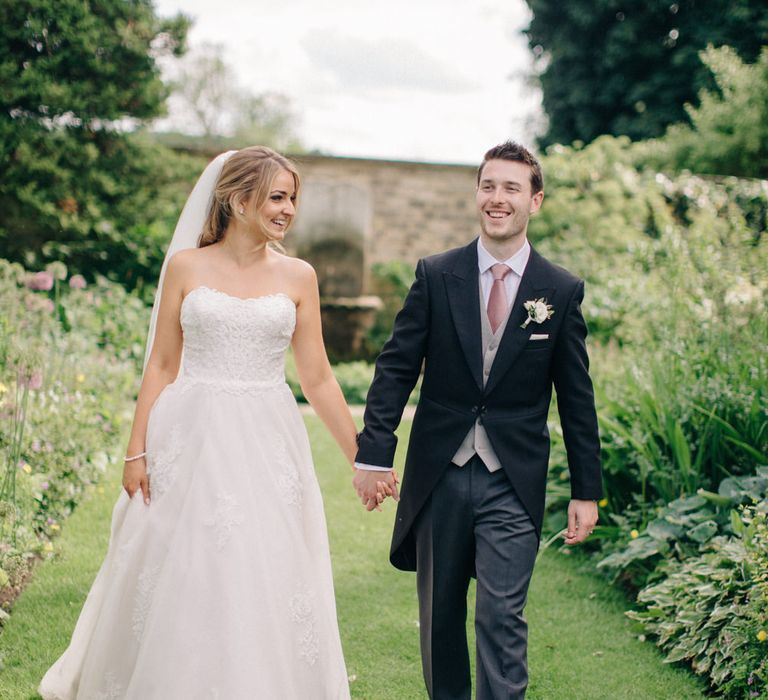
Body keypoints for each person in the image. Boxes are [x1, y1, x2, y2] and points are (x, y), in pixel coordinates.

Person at [39, 147, 360, 699]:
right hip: (189, 432)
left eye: (292, 199)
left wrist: (363, 456)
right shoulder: (185, 267)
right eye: (277, 197)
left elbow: (319, 378)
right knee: (183, 560)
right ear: (238, 200)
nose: (288, 210)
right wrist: (136, 450)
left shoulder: (298, 275)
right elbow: (162, 364)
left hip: (265, 436)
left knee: (260, 562)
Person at [353, 141, 603, 699]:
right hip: (439, 474)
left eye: (511, 188)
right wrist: (374, 454)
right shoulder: (437, 275)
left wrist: (587, 491)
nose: (497, 198)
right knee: (440, 621)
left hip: (511, 481)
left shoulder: (559, 291)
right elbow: (395, 368)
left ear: (534, 201)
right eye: (488, 185)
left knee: (501, 617)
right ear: (477, 195)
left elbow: (577, 398)